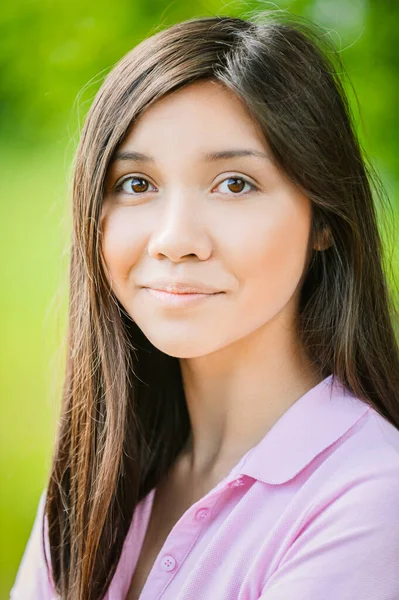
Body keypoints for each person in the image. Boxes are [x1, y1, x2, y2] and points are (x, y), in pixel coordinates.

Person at [10, 10, 399, 600]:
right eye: (137, 184)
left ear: (325, 218)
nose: (175, 239)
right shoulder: (95, 479)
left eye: (234, 184)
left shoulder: (369, 498)